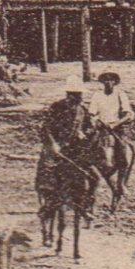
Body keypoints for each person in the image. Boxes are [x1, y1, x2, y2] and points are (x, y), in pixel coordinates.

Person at [37, 78, 93, 217]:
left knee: (89, 174)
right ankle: (48, 205)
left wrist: (84, 133)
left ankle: (83, 206)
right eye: (77, 94)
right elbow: (46, 128)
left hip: (74, 149)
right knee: (48, 171)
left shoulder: (82, 109)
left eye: (81, 94)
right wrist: (53, 144)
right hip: (55, 147)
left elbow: (90, 127)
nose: (80, 97)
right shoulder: (56, 107)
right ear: (69, 94)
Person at [88, 71, 135, 190]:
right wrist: (96, 121)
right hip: (101, 127)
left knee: (124, 152)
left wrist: (116, 124)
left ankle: (121, 183)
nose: (108, 83)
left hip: (117, 128)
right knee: (86, 147)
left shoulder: (120, 94)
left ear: (115, 82)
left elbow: (128, 114)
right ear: (102, 82)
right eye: (105, 80)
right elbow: (91, 113)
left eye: (111, 80)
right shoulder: (97, 95)